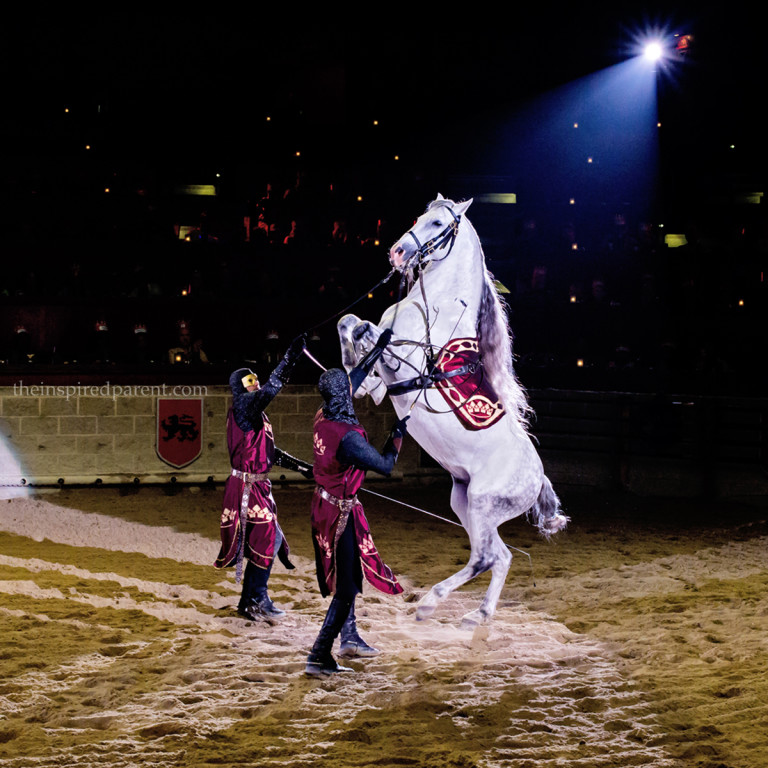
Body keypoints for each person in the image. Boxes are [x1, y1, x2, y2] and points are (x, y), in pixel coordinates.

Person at [306, 330, 409, 677]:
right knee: (347, 586)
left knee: (347, 579)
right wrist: (396, 436)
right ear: (342, 396)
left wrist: (378, 350)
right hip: (339, 513)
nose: (352, 390)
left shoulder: (323, 414)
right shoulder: (347, 438)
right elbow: (384, 466)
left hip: (326, 505)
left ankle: (348, 637)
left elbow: (355, 378)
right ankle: (319, 655)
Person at [214, 335, 313, 621]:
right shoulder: (245, 407)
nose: (255, 384)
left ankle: (252, 600)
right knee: (268, 542)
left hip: (258, 485)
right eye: (249, 381)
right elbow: (271, 390)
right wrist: (291, 357)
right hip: (247, 487)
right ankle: (256, 599)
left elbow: (270, 451)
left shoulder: (255, 414)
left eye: (255, 379)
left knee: (271, 541)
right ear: (239, 388)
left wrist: (303, 467)